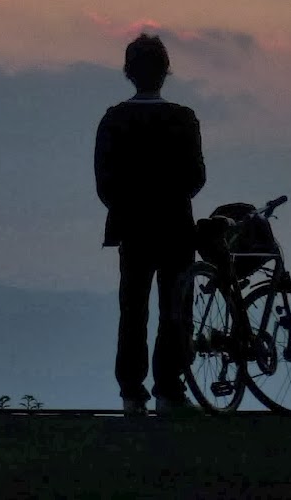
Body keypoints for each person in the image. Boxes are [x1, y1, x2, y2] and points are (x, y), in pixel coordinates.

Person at [94, 33, 206, 416]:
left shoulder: (113, 119)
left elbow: (104, 182)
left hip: (132, 227)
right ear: (165, 71)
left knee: (133, 310)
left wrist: (130, 205)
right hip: (176, 225)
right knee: (175, 309)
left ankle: (131, 391)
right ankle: (169, 388)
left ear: (129, 72)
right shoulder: (183, 118)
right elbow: (196, 178)